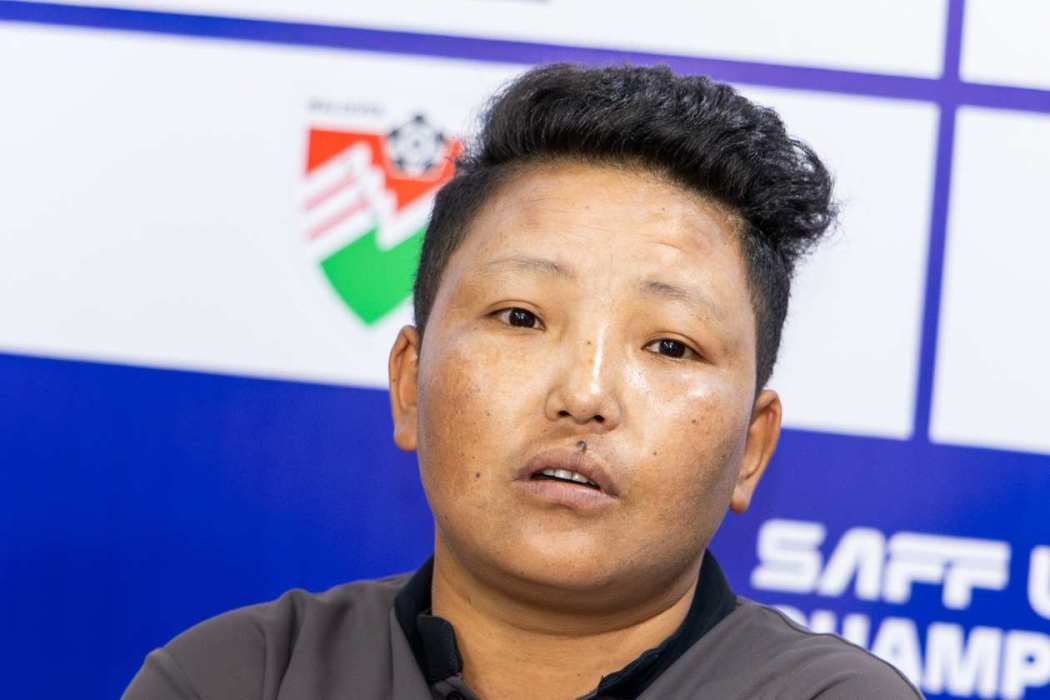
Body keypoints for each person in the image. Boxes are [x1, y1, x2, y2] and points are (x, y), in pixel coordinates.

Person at [124, 63, 922, 699]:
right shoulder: (245, 676)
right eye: (520, 317)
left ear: (751, 448)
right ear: (409, 383)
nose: (585, 394)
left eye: (670, 345)